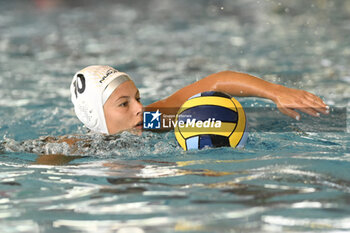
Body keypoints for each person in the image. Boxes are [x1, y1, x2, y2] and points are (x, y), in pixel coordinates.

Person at [70, 65, 329, 136]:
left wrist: (275, 92)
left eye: (137, 98)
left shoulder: (152, 121)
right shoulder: (80, 149)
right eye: (124, 104)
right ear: (95, 117)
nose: (140, 108)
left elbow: (216, 81)